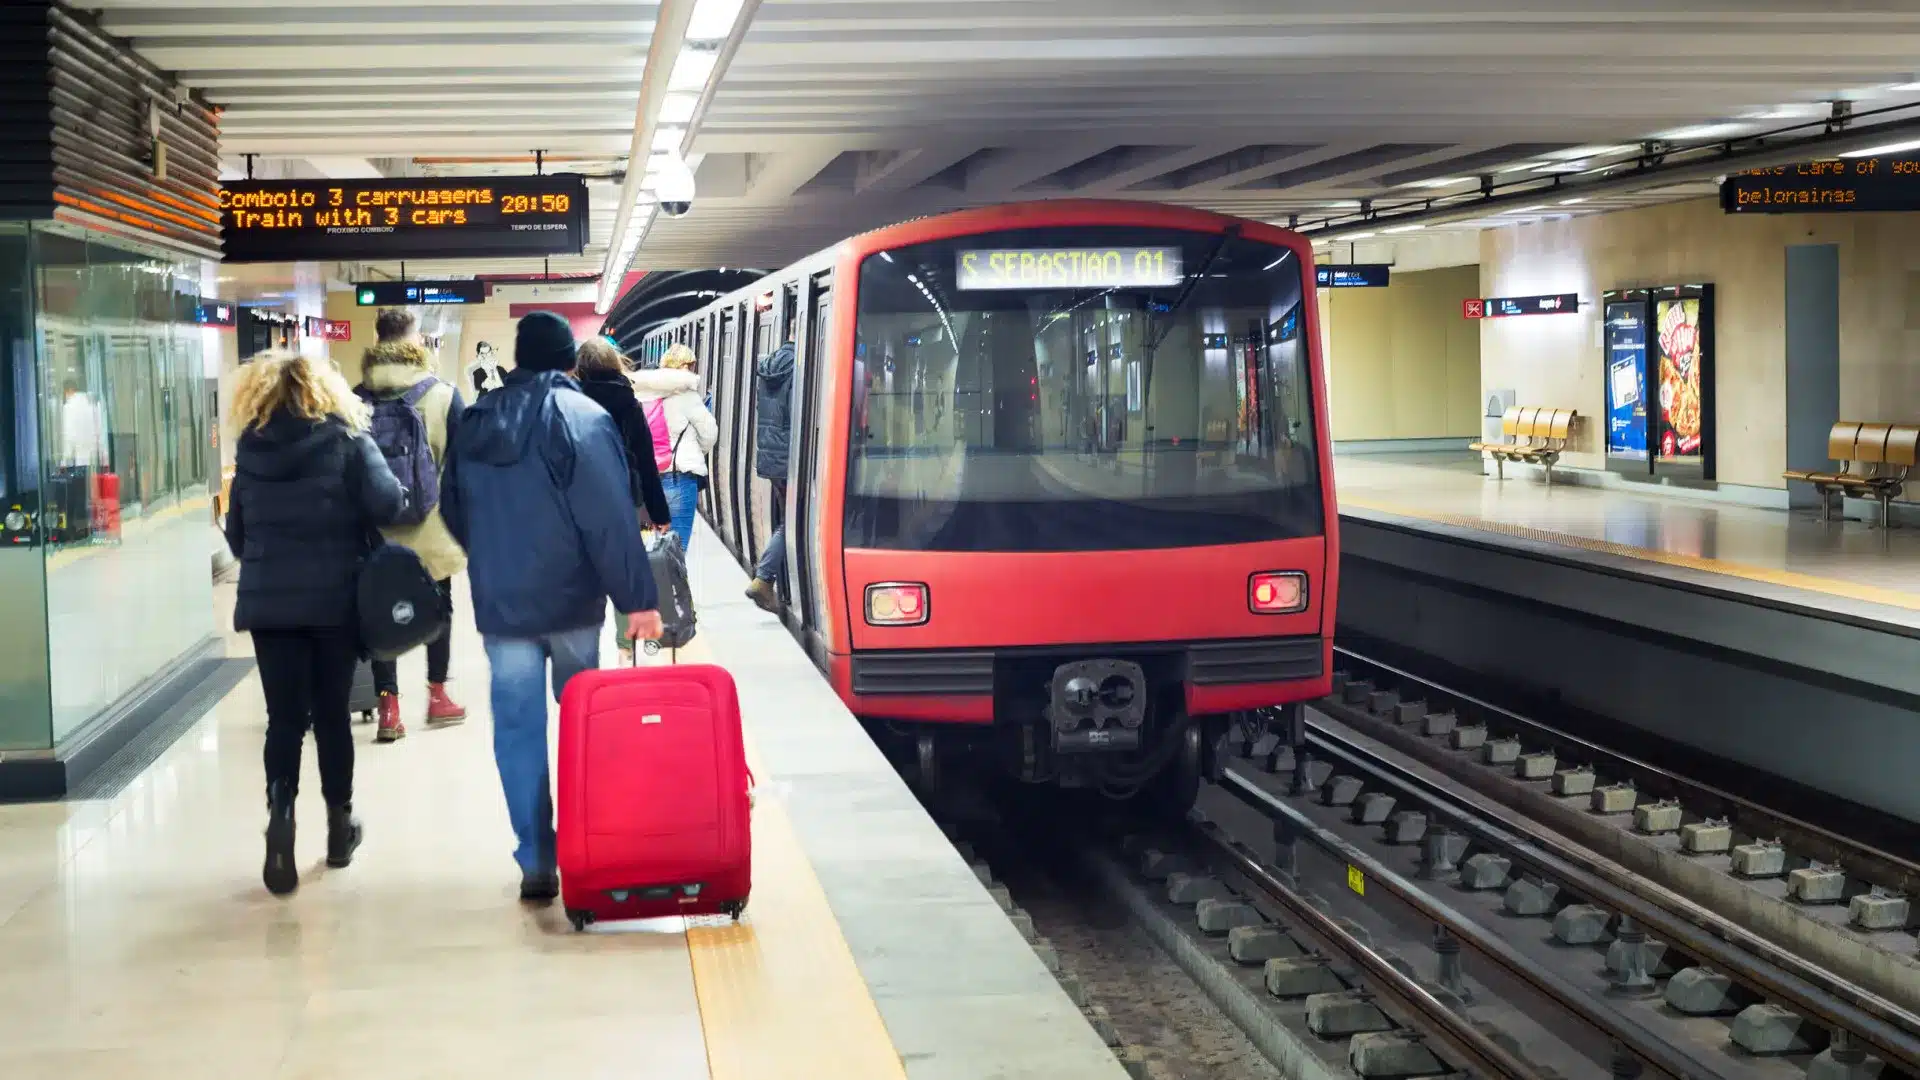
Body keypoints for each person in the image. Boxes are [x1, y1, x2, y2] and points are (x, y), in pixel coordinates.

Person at [441, 312, 663, 901]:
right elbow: (609, 519)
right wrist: (638, 599)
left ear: (519, 357)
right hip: (572, 604)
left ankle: (536, 859)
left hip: (502, 606)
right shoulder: (583, 417)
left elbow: (452, 509)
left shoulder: (477, 419)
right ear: (569, 360)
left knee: (517, 729)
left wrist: (489, 559)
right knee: (584, 721)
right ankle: (587, 846)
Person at [224, 350, 407, 896]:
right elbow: (390, 503)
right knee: (331, 716)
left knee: (284, 719)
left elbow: (236, 535)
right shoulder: (348, 441)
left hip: (270, 608)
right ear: (324, 391)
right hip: (334, 601)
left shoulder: (250, 451)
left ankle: (281, 817)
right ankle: (337, 828)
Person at [358, 308, 468, 742]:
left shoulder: (354, 398)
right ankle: (438, 695)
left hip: (375, 532)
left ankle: (389, 707)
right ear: (416, 341)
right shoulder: (443, 395)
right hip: (433, 528)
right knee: (438, 607)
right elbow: (463, 468)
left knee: (380, 613)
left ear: (377, 340)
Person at [573, 337, 674, 664]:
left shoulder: (567, 403)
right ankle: (624, 649)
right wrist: (659, 513)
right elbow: (646, 462)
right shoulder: (629, 404)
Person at [630, 342, 717, 554]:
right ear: (688, 366)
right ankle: (671, 588)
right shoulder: (686, 396)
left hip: (646, 482)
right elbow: (709, 434)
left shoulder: (642, 394)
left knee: (647, 549)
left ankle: (649, 587)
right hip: (679, 478)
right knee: (675, 551)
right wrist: (694, 453)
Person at [744, 339, 795, 613]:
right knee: (793, 521)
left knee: (788, 517)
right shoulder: (799, 366)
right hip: (792, 459)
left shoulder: (769, 368)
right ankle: (764, 579)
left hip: (771, 456)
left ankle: (768, 578)